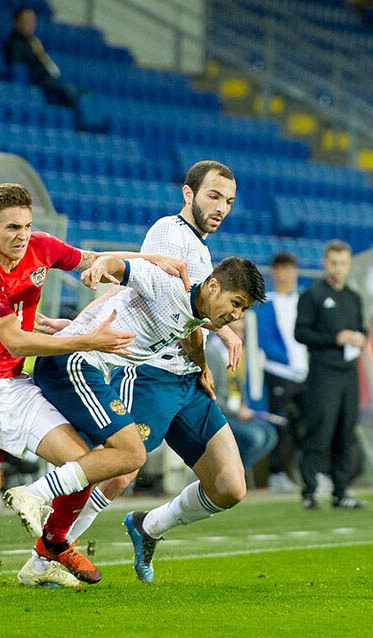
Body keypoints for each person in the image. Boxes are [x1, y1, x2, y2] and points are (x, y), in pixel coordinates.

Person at [0, 182, 188, 592]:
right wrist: (87, 340)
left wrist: (150, 259)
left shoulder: (41, 247)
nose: (21, 236)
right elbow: (16, 341)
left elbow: (94, 258)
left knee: (82, 468)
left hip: (12, 384)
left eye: (27, 226)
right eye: (12, 227)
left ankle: (52, 545)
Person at [20, 161, 249, 584]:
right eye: (214, 196)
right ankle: (45, 556)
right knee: (121, 466)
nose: (221, 208)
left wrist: (213, 351)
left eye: (229, 202)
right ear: (188, 194)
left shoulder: (200, 250)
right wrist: (79, 324)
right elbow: (131, 280)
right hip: (149, 374)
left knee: (230, 486)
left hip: (186, 378)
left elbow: (176, 313)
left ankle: (147, 527)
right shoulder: (169, 232)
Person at [294, 240, 367, 509]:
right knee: (320, 430)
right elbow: (301, 332)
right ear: (325, 263)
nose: (339, 268)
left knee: (346, 432)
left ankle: (341, 491)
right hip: (323, 373)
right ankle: (310, 490)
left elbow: (362, 329)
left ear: (349, 265)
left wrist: (361, 338)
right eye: (334, 263)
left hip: (349, 373)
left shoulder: (354, 297)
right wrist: (335, 338)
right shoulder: (312, 295)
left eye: (344, 263)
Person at [257, 251, 307, 492]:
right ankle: (277, 474)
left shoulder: (303, 301)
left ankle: (303, 471)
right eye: (283, 269)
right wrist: (285, 359)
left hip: (303, 374)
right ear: (274, 272)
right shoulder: (267, 302)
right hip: (278, 372)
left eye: (291, 269)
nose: (288, 275)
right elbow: (265, 339)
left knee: (306, 424)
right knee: (280, 423)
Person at [208, 318, 277, 471]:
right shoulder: (211, 354)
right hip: (219, 414)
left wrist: (243, 405)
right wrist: (236, 411)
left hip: (235, 412)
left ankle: (234, 472)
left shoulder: (237, 353)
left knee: (270, 434)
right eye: (236, 330)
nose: (240, 335)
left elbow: (239, 386)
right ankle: (228, 473)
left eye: (242, 331)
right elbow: (210, 396)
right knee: (256, 438)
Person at [3, 7, 80, 118]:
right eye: (26, 20)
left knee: (84, 92)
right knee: (69, 92)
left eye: (32, 20)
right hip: (36, 79)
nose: (30, 24)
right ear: (16, 22)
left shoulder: (34, 41)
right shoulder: (15, 42)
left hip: (48, 77)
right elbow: (17, 63)